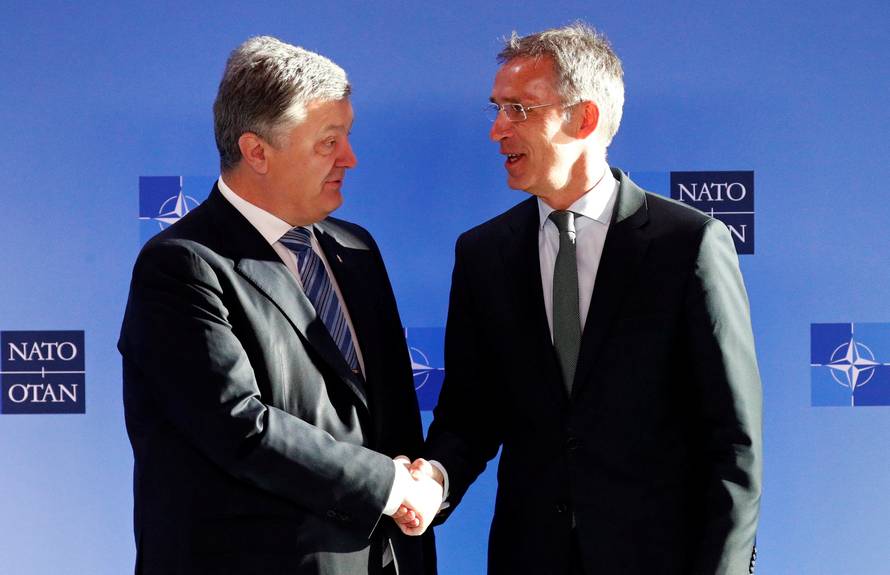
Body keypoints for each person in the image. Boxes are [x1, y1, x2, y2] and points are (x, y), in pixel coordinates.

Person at [401, 23, 762, 575]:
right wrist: (435, 478)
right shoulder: (483, 254)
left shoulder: (687, 243)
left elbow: (733, 444)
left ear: (585, 118)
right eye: (496, 109)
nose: (497, 129)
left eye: (519, 109)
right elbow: (469, 415)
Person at [119, 36, 440, 575]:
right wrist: (389, 486)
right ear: (257, 152)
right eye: (328, 142)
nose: (350, 158)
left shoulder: (356, 249)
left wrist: (421, 484)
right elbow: (237, 425)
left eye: (348, 136)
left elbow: (393, 417)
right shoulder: (180, 264)